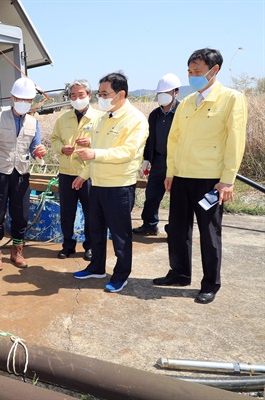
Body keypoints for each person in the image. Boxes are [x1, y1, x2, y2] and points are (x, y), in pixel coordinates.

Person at [153, 48, 247, 304]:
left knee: (209, 233)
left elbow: (235, 141)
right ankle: (179, 273)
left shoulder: (231, 99)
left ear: (214, 70)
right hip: (182, 177)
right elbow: (175, 139)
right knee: (178, 230)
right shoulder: (188, 102)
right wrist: (171, 172)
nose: (192, 76)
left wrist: (227, 179)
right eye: (190, 72)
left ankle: (210, 284)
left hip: (210, 179)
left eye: (197, 72)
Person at [71, 72, 149, 293]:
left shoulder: (135, 120)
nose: (101, 98)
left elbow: (127, 152)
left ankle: (121, 274)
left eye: (105, 94)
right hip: (97, 185)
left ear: (121, 94)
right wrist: (84, 175)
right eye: (100, 93)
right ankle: (96, 266)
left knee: (120, 235)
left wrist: (94, 154)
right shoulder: (103, 118)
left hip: (119, 186)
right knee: (95, 230)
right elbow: (93, 152)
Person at [0, 77, 47, 271]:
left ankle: (17, 251)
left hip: (21, 173)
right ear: (12, 98)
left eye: (27, 100)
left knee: (21, 214)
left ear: (32, 102)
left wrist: (39, 151)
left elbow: (35, 148)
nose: (23, 103)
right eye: (20, 99)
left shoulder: (34, 123)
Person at [50, 79, 103, 261]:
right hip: (66, 172)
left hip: (88, 173)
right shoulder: (63, 118)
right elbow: (55, 139)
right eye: (73, 95)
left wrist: (90, 143)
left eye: (81, 95)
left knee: (91, 212)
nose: (77, 98)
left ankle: (89, 246)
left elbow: (105, 144)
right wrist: (61, 149)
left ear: (89, 95)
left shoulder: (100, 118)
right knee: (67, 212)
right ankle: (68, 245)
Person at [133, 73, 181, 236]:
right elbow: (150, 138)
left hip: (177, 162)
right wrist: (147, 159)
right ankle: (149, 224)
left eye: (166, 93)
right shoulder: (155, 115)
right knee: (152, 194)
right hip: (159, 160)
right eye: (160, 93)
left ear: (176, 92)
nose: (162, 96)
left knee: (177, 198)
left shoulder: (183, 112)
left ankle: (175, 230)